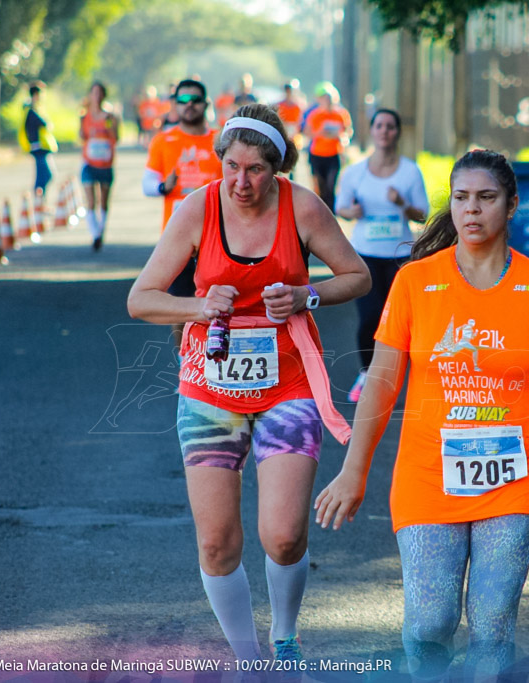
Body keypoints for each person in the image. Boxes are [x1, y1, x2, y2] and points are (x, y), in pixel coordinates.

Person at [314, 150, 529, 679]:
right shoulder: (416, 283)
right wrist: (354, 470)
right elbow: (381, 382)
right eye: (461, 198)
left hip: (515, 477)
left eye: (486, 198)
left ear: (512, 205)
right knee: (429, 623)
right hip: (426, 476)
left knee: (491, 622)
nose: (472, 210)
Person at [127, 104, 371, 665]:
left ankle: (285, 636)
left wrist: (307, 295)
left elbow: (358, 275)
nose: (241, 182)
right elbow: (141, 299)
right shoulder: (198, 208)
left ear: (278, 166)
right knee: (216, 543)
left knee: (283, 535)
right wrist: (196, 304)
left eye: (256, 169)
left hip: (289, 384)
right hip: (209, 389)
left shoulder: (302, 207)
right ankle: (246, 657)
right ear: (220, 163)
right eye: (231, 167)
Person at [335, 108, 428, 402]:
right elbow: (340, 207)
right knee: (370, 317)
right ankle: (367, 374)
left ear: (397, 132)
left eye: (390, 126)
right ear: (372, 131)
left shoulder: (410, 171)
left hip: (400, 256)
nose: (385, 131)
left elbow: (423, 214)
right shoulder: (356, 172)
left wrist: (402, 203)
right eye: (379, 126)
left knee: (401, 322)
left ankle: (400, 378)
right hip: (366, 254)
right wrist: (353, 211)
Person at [142, 79, 223, 303]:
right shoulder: (163, 140)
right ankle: (181, 341)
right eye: (183, 100)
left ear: (206, 104)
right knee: (179, 301)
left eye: (195, 100)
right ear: (175, 105)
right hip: (177, 235)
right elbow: (147, 183)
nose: (189, 105)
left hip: (218, 235)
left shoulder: (222, 140)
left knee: (219, 302)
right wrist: (163, 187)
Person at [79, 81, 121, 251]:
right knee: (90, 201)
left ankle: (100, 232)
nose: (96, 96)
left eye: (99, 93)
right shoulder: (84, 117)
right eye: (93, 93)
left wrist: (108, 124)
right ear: (90, 95)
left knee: (103, 202)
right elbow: (82, 136)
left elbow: (116, 137)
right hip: (89, 163)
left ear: (104, 96)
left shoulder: (110, 117)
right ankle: (95, 234)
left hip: (105, 164)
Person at [303, 81, 352, 210]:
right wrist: (320, 132)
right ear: (320, 100)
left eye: (330, 98)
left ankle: (331, 213)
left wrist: (342, 138)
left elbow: (347, 132)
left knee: (331, 186)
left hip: (334, 154)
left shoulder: (341, 114)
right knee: (320, 186)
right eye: (325, 98)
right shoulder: (315, 115)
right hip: (317, 154)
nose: (328, 101)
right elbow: (307, 133)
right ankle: (320, 211)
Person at [22, 81, 57, 196]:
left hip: (41, 147)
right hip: (38, 147)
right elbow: (43, 124)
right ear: (36, 94)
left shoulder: (35, 108)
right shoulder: (31, 111)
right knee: (45, 175)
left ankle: (41, 200)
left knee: (44, 175)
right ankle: (39, 200)